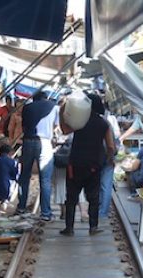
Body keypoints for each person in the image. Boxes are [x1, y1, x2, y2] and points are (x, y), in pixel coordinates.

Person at [59, 93, 115, 236]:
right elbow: (111, 146)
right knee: (93, 198)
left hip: (75, 164)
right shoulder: (104, 124)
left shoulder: (79, 120)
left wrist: (61, 112)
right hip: (94, 166)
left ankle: (69, 228)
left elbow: (65, 130)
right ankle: (93, 227)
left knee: (71, 198)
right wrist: (109, 159)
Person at [17, 91, 60, 220]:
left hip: (28, 141)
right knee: (45, 180)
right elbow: (56, 126)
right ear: (45, 98)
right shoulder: (54, 107)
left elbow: (24, 127)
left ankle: (21, 208)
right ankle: (45, 213)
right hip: (45, 143)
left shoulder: (27, 107)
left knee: (24, 176)